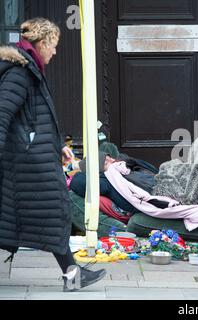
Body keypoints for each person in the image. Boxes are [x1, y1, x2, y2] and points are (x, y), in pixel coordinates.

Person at [0, 18, 106, 292]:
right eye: (54, 45)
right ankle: (73, 274)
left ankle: (73, 274)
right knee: (57, 211)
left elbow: (34, 119)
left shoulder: (30, 69)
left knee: (25, 216)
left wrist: (58, 145)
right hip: (27, 164)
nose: (56, 52)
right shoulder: (20, 72)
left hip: (31, 159)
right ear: (43, 42)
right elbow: (2, 115)